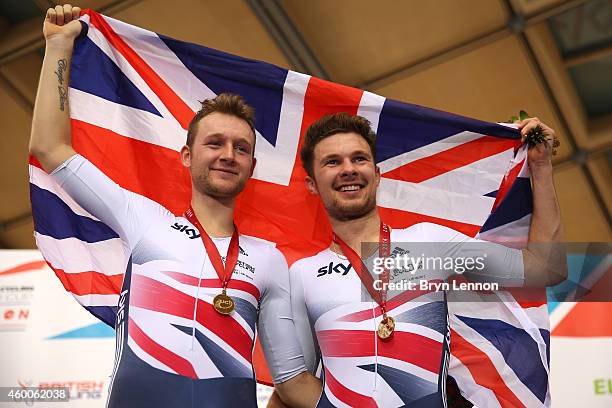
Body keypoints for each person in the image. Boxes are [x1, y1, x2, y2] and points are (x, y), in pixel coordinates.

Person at [29, 5, 320, 407]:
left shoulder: (269, 260)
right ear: (187, 156)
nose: (228, 155)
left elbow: (291, 383)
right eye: (214, 143)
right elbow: (51, 149)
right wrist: (58, 46)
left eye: (241, 148)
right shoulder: (144, 219)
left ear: (251, 167)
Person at [285, 112, 566, 406]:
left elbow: (545, 268)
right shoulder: (303, 273)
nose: (348, 170)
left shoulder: (429, 243)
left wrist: (541, 166)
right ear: (312, 184)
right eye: (333, 162)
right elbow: (295, 381)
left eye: (359, 159)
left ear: (378, 174)